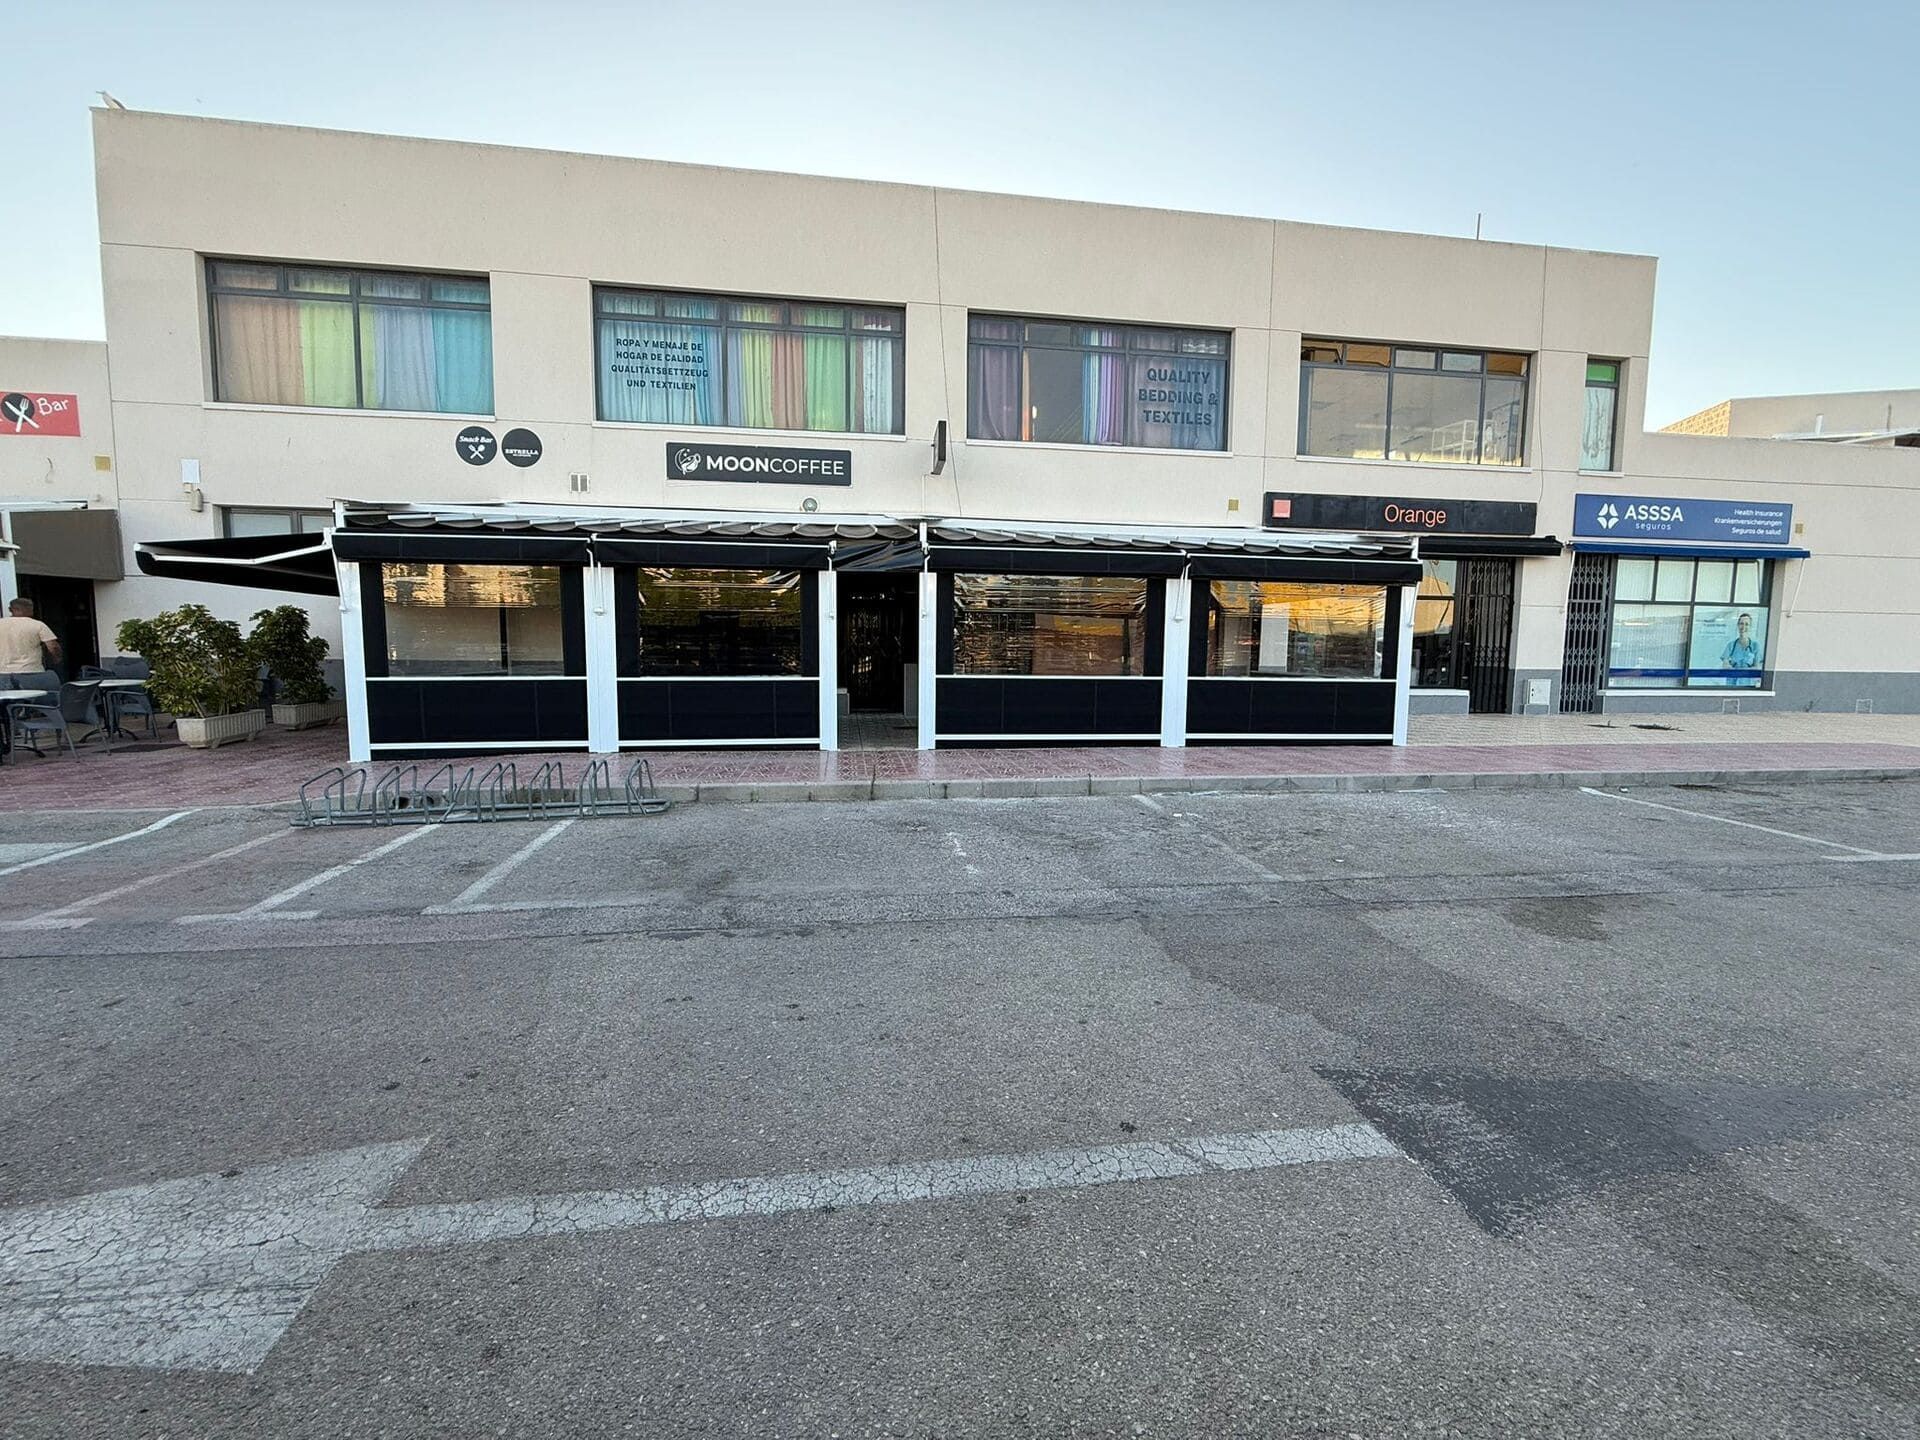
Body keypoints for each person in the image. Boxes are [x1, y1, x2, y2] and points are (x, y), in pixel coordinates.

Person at [0, 597, 61, 692]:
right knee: (35, 703)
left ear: (10, 610)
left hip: (3, 674)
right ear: (31, 609)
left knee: (8, 705)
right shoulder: (38, 625)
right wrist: (56, 659)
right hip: (32, 673)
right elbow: (53, 646)